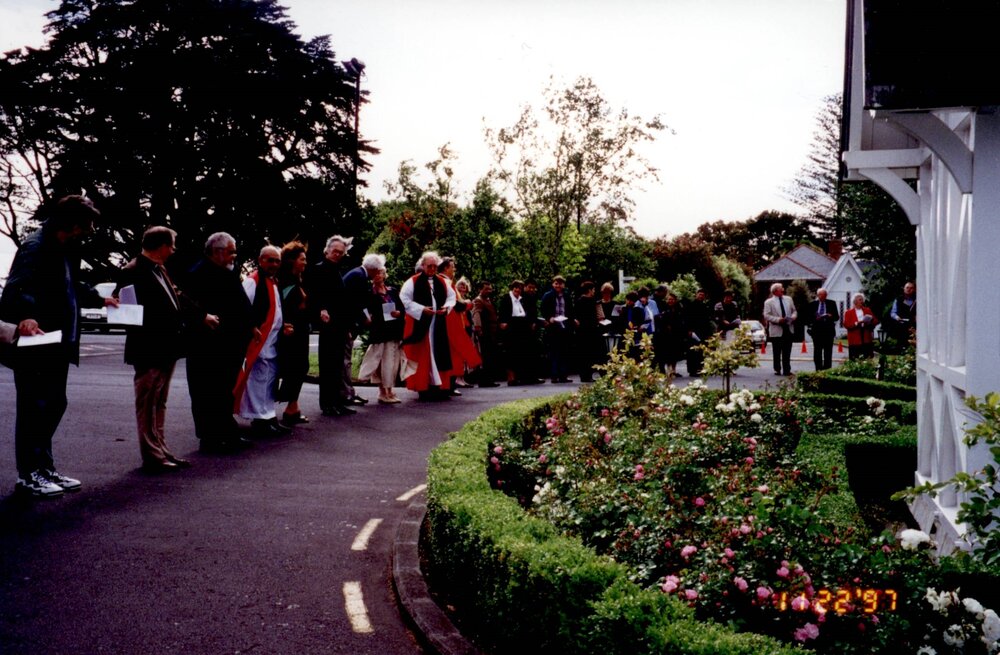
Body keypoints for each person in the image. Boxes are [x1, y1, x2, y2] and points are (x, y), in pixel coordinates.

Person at [0, 195, 119, 496]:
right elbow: (17, 287)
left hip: (56, 343)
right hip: (38, 342)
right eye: (87, 223)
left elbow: (71, 285)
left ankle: (43, 467)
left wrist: (99, 298)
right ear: (72, 222)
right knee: (35, 406)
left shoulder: (62, 248)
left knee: (53, 403)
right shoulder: (36, 247)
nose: (90, 229)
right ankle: (29, 474)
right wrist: (26, 315)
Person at [117, 226, 191, 472]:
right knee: (147, 403)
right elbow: (128, 312)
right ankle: (152, 454)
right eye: (171, 245)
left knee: (159, 402)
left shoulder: (159, 269)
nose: (173, 250)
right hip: (149, 349)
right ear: (161, 246)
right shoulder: (133, 271)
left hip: (166, 348)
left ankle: (160, 448)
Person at [183, 231, 254, 453]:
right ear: (218, 251)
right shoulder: (198, 273)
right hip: (209, 346)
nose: (234, 256)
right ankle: (210, 437)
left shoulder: (227, 271)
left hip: (229, 344)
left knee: (224, 391)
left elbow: (240, 303)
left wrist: (250, 326)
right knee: (206, 392)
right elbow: (191, 308)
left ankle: (226, 432)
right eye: (232, 252)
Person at [234, 245, 292, 438]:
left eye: (277, 261)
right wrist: (252, 329)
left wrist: (282, 325)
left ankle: (269, 415)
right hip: (258, 342)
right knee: (258, 381)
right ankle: (260, 419)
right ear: (260, 261)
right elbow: (242, 309)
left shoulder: (273, 282)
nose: (274, 264)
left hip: (272, 341)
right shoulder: (253, 281)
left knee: (269, 381)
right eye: (270, 260)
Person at [306, 235, 356, 417]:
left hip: (340, 325)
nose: (337, 254)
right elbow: (312, 294)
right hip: (328, 325)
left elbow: (342, 301)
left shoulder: (337, 270)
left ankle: (337, 402)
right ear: (326, 251)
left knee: (337, 366)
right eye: (334, 251)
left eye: (341, 252)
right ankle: (327, 404)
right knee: (328, 366)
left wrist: (348, 327)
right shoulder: (319, 269)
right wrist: (320, 309)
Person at [400, 251, 456, 399]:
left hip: (438, 323)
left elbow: (451, 298)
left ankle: (440, 387)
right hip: (422, 325)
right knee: (424, 356)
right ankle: (423, 387)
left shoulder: (443, 282)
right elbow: (404, 299)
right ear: (423, 265)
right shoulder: (412, 281)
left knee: (439, 354)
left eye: (434, 266)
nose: (432, 269)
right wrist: (421, 309)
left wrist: (446, 308)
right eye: (429, 266)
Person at [342, 252, 387, 406]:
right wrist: (364, 319)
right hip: (346, 324)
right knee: (345, 361)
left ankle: (348, 392)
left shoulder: (358, 274)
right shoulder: (359, 277)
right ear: (374, 269)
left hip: (347, 323)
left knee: (345, 361)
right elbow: (354, 303)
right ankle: (347, 394)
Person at [357, 260, 405, 403]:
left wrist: (398, 313)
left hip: (393, 330)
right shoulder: (369, 292)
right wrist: (367, 318)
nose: (378, 276)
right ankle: (382, 392)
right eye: (376, 273)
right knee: (380, 362)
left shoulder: (392, 291)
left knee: (392, 361)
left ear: (385, 275)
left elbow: (402, 309)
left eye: (381, 273)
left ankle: (389, 391)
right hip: (379, 330)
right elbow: (363, 308)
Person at [275, 241, 311, 426]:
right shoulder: (286, 282)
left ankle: (293, 406)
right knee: (295, 368)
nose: (305, 262)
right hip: (292, 333)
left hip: (300, 331)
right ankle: (290, 408)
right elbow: (282, 306)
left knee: (299, 367)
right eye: (302, 259)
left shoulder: (296, 280)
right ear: (292, 261)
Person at [498, 280, 539, 385]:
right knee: (511, 352)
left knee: (522, 352)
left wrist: (531, 323)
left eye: (519, 288)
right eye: (515, 287)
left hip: (522, 326)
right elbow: (502, 311)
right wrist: (503, 322)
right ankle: (511, 378)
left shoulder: (522, 299)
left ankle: (522, 377)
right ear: (512, 288)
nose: (517, 290)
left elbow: (528, 312)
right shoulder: (506, 298)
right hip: (511, 326)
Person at [540, 275, 576, 383]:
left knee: (565, 351)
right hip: (553, 326)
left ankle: (563, 375)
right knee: (554, 351)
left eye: (560, 283)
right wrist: (549, 318)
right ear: (553, 284)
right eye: (556, 283)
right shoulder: (548, 295)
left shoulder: (567, 296)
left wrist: (572, 321)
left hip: (565, 325)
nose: (558, 286)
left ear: (563, 285)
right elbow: (543, 309)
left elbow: (570, 310)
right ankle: (554, 375)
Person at [471, 280, 501, 388]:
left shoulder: (488, 300)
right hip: (485, 332)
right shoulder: (478, 300)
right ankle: (484, 380)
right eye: (486, 289)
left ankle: (488, 379)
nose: (489, 291)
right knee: (485, 356)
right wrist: (478, 328)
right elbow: (476, 313)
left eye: (490, 289)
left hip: (492, 331)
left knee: (490, 356)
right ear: (480, 289)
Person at [763, 282, 797, 376]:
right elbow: (766, 315)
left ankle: (787, 370)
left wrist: (793, 317)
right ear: (775, 291)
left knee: (787, 351)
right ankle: (777, 369)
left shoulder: (788, 299)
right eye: (781, 288)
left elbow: (794, 311)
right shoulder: (769, 302)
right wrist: (778, 320)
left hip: (788, 328)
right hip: (777, 329)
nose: (783, 290)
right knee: (777, 351)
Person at [574, 281, 603, 382]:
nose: (594, 291)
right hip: (589, 330)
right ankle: (587, 375)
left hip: (582, 331)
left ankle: (585, 376)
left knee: (584, 354)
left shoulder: (578, 301)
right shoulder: (591, 301)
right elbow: (596, 317)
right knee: (589, 353)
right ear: (589, 290)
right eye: (593, 289)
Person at [805, 287, 839, 371]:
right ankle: (818, 369)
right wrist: (815, 318)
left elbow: (837, 317)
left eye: (824, 295)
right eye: (821, 295)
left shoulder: (832, 303)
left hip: (828, 331)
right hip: (817, 331)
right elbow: (807, 318)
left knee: (828, 352)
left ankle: (827, 370)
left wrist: (831, 316)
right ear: (818, 295)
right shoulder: (812, 304)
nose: (822, 297)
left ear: (826, 295)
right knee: (817, 351)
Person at [654, 292, 687, 376]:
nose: (670, 301)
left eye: (672, 299)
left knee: (676, 352)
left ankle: (674, 370)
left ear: (675, 300)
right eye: (669, 299)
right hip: (666, 334)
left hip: (676, 333)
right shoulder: (663, 308)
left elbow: (681, 319)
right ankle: (669, 370)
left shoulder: (679, 308)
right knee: (668, 352)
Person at [684, 288, 715, 376]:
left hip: (703, 331)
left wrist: (709, 333)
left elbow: (708, 321)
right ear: (696, 295)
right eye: (700, 294)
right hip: (693, 331)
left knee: (701, 351)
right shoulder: (690, 305)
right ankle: (692, 370)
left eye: (703, 295)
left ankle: (700, 368)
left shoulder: (705, 306)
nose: (701, 296)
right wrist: (689, 330)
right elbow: (687, 318)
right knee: (692, 351)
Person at [843, 292, 879, 360]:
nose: (862, 301)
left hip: (866, 337)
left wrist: (870, 321)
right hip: (855, 339)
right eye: (860, 300)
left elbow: (875, 321)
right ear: (855, 301)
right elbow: (846, 325)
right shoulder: (848, 313)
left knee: (867, 358)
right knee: (855, 358)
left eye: (862, 300)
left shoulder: (867, 310)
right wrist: (857, 323)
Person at [887, 281, 916, 348]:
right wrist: (897, 318)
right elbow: (893, 313)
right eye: (907, 287)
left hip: (914, 327)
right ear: (904, 289)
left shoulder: (917, 300)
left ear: (914, 290)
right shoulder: (898, 299)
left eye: (911, 288)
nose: (909, 289)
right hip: (901, 327)